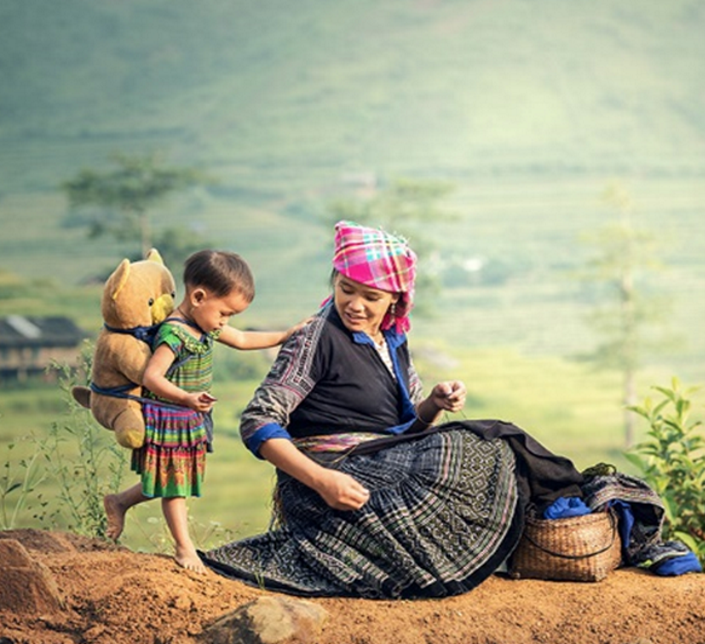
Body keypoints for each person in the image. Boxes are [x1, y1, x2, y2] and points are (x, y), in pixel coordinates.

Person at [201, 222, 585, 597]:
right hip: (331, 476)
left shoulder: (393, 339)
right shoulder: (314, 337)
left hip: (381, 460)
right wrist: (322, 481)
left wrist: (434, 403)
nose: (354, 304)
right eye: (345, 289)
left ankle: (567, 515)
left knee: (491, 443)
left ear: (394, 300)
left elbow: (405, 426)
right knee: (481, 442)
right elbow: (258, 421)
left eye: (370, 297)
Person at [104, 249, 306, 574]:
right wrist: (185, 397)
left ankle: (120, 501)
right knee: (175, 486)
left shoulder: (206, 326)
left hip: (189, 417)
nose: (226, 322)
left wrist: (284, 336)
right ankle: (184, 549)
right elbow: (152, 377)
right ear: (199, 297)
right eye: (225, 313)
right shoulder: (174, 333)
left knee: (173, 478)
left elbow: (241, 339)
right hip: (170, 416)